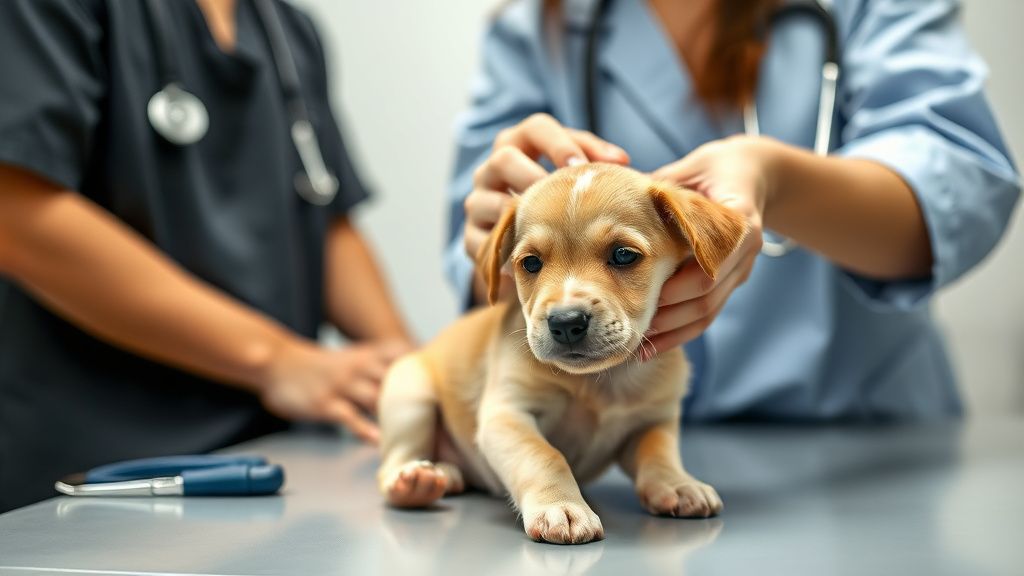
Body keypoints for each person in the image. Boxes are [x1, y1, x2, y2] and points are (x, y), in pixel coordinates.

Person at [446, 0, 1020, 421]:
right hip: (613, 452)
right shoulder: (531, 28)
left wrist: (778, 181)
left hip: (861, 432)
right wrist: (494, 242)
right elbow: (482, 293)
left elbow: (958, 190)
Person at [0, 0, 411, 512]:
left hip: (269, 469)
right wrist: (277, 360)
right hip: (101, 479)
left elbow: (325, 216)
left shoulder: (288, 32)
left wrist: (414, 374)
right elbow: (16, 213)